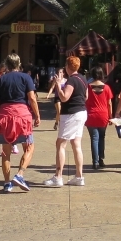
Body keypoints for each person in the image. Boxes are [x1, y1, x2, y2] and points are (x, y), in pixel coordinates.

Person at [0, 54, 41, 192]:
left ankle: (7, 183)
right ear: (19, 64)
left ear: (6, 65)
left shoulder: (1, 80)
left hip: (5, 116)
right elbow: (31, 97)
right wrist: (37, 115)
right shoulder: (26, 78)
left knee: (6, 152)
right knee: (29, 147)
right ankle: (19, 174)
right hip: (22, 117)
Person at [45, 56, 88, 187]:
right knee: (76, 144)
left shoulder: (71, 81)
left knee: (61, 144)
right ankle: (79, 176)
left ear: (67, 67)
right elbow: (86, 96)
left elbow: (64, 98)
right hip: (81, 112)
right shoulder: (83, 79)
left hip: (71, 114)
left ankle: (58, 177)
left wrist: (58, 84)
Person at [84, 67, 113, 169]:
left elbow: (84, 100)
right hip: (103, 115)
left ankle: (95, 162)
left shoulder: (87, 87)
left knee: (94, 139)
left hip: (91, 115)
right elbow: (109, 104)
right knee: (102, 137)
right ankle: (101, 159)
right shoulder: (107, 88)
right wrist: (111, 116)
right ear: (102, 75)